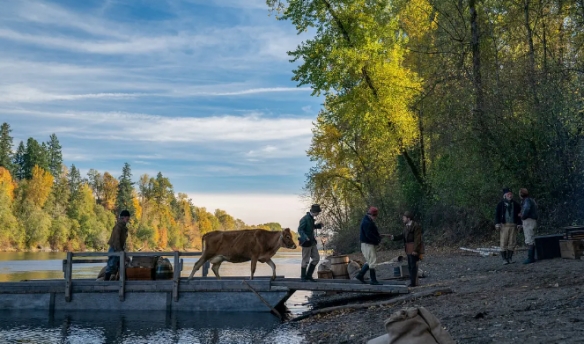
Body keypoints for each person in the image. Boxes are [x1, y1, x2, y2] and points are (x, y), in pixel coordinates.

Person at [390, 211, 424, 287]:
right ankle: (413, 282)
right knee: (410, 266)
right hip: (408, 249)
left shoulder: (415, 226)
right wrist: (393, 237)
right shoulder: (406, 227)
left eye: (404, 217)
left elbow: (417, 239)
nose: (403, 219)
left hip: (413, 248)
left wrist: (415, 250)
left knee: (413, 266)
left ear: (408, 218)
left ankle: (413, 283)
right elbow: (402, 235)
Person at [355, 206, 385, 285]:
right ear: (372, 215)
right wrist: (377, 240)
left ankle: (360, 276)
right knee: (372, 261)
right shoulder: (367, 222)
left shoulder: (367, 221)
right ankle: (373, 280)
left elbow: (371, 233)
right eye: (375, 216)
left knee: (369, 261)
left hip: (367, 244)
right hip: (367, 244)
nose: (375, 217)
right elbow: (369, 235)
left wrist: (378, 237)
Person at [495, 188, 521, 264]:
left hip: (513, 225)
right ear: (505, 196)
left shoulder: (516, 204)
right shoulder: (500, 204)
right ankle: (504, 259)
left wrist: (519, 224)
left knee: (512, 242)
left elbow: (519, 215)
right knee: (503, 242)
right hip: (504, 225)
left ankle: (510, 258)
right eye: (508, 194)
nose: (510, 195)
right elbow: (497, 215)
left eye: (511, 194)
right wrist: (497, 223)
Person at [298, 204, 323, 282]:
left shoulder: (311, 219)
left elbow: (312, 227)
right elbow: (300, 230)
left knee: (316, 258)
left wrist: (318, 226)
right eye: (318, 212)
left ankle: (309, 276)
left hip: (312, 242)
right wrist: (305, 237)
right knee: (305, 260)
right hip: (306, 242)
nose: (318, 214)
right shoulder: (304, 219)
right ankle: (303, 277)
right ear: (314, 212)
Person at [104, 209, 130, 281]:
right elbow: (116, 240)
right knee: (111, 265)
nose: (128, 219)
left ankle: (120, 282)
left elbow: (122, 241)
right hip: (115, 248)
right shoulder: (118, 226)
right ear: (123, 217)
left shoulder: (123, 227)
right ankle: (105, 283)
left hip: (119, 249)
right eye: (127, 218)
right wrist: (120, 251)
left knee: (120, 265)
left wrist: (123, 251)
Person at [519, 188, 538, 264]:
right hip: (532, 220)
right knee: (531, 237)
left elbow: (526, 209)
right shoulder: (531, 200)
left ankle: (531, 258)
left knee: (529, 238)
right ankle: (532, 256)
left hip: (529, 220)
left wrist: (522, 216)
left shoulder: (527, 201)